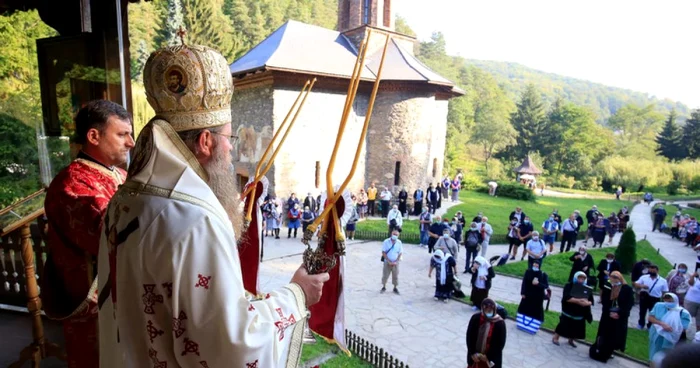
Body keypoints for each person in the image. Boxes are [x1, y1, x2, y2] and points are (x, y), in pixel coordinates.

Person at [97, 44, 329, 367]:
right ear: (206, 142)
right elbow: (232, 346)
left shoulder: (124, 200)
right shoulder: (197, 221)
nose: (232, 153)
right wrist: (297, 294)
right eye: (229, 139)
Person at [43, 100, 133, 368]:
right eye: (121, 134)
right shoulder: (72, 183)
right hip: (94, 303)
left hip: (122, 295)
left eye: (130, 134)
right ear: (93, 136)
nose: (130, 142)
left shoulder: (121, 174)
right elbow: (108, 236)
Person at [596, 271, 634, 359]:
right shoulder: (608, 286)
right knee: (604, 332)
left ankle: (611, 350)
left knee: (615, 334)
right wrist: (609, 311)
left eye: (616, 277)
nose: (614, 279)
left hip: (619, 316)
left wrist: (619, 313)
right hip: (607, 314)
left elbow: (629, 304)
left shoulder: (626, 289)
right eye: (612, 277)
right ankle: (600, 347)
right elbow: (604, 299)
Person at [552, 271, 594, 347]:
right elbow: (567, 298)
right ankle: (555, 338)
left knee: (576, 327)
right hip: (569, 309)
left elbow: (591, 301)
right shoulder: (569, 285)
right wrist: (579, 301)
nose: (581, 280)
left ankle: (571, 340)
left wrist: (587, 303)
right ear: (576, 277)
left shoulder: (587, 288)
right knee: (563, 324)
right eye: (579, 277)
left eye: (583, 278)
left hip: (580, 311)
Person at [648, 293, 691, 361]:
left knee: (666, 355)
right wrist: (662, 324)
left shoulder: (683, 313)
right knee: (653, 354)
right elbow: (650, 318)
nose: (668, 303)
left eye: (670, 301)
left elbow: (684, 328)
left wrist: (671, 328)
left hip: (670, 337)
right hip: (656, 334)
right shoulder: (659, 306)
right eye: (666, 300)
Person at [466, 299, 507, 368]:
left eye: (490, 309)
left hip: (489, 359)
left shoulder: (499, 323)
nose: (488, 311)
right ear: (482, 308)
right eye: (486, 309)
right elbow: (469, 337)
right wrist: (472, 353)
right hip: (475, 357)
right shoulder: (476, 318)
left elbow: (500, 344)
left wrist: (488, 357)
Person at [635, 264, 670, 329]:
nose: (652, 273)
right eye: (650, 271)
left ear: (657, 271)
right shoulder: (644, 277)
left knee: (653, 313)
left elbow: (665, 291)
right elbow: (636, 284)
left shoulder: (663, 281)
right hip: (644, 296)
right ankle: (641, 323)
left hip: (655, 298)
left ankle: (650, 325)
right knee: (642, 311)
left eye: (653, 271)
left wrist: (664, 300)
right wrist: (642, 286)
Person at [381, 229, 402, 295]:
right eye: (394, 234)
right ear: (391, 234)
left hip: (395, 262)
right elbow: (383, 252)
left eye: (396, 235)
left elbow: (400, 253)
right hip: (387, 262)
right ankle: (384, 286)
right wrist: (388, 261)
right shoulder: (386, 242)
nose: (395, 236)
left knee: (395, 276)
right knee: (385, 275)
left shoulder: (399, 242)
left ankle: (395, 287)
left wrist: (396, 261)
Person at [684, 269, 700, 335]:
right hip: (691, 301)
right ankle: (682, 333)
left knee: (699, 321)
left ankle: (698, 335)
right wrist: (693, 276)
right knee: (687, 317)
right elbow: (690, 283)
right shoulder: (695, 279)